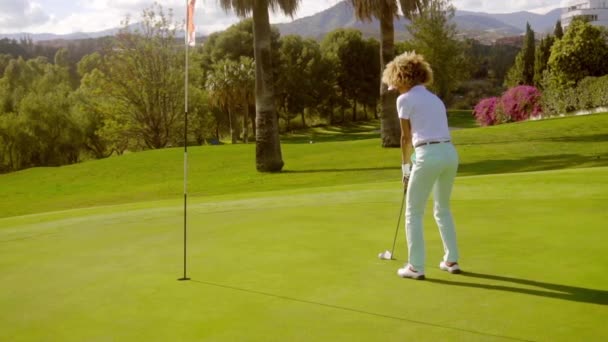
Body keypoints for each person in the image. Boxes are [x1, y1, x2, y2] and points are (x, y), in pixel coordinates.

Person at [382, 51, 461, 280]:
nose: (394, 88)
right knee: (442, 208)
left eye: (394, 84)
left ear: (401, 77)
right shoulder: (434, 98)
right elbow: (429, 134)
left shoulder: (404, 100)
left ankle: (416, 267)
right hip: (449, 153)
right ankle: (451, 260)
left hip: (428, 155)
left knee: (413, 211)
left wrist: (405, 168)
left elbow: (406, 138)